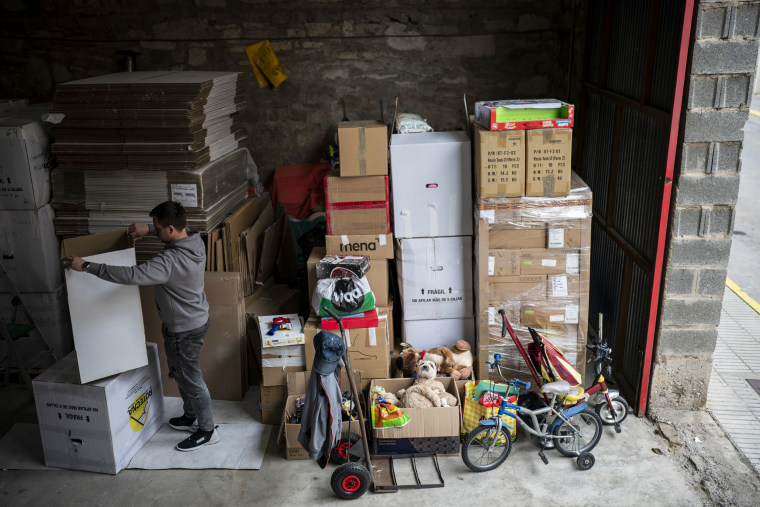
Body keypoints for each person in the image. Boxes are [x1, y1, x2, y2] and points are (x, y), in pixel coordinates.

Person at [63, 201, 219, 452]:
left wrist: (86, 266)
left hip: (183, 330)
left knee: (191, 379)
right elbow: (178, 230)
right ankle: (190, 415)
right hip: (193, 320)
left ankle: (207, 429)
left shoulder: (169, 261)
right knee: (180, 373)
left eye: (157, 228)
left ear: (170, 229)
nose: (154, 231)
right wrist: (148, 228)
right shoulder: (193, 239)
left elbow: (131, 276)